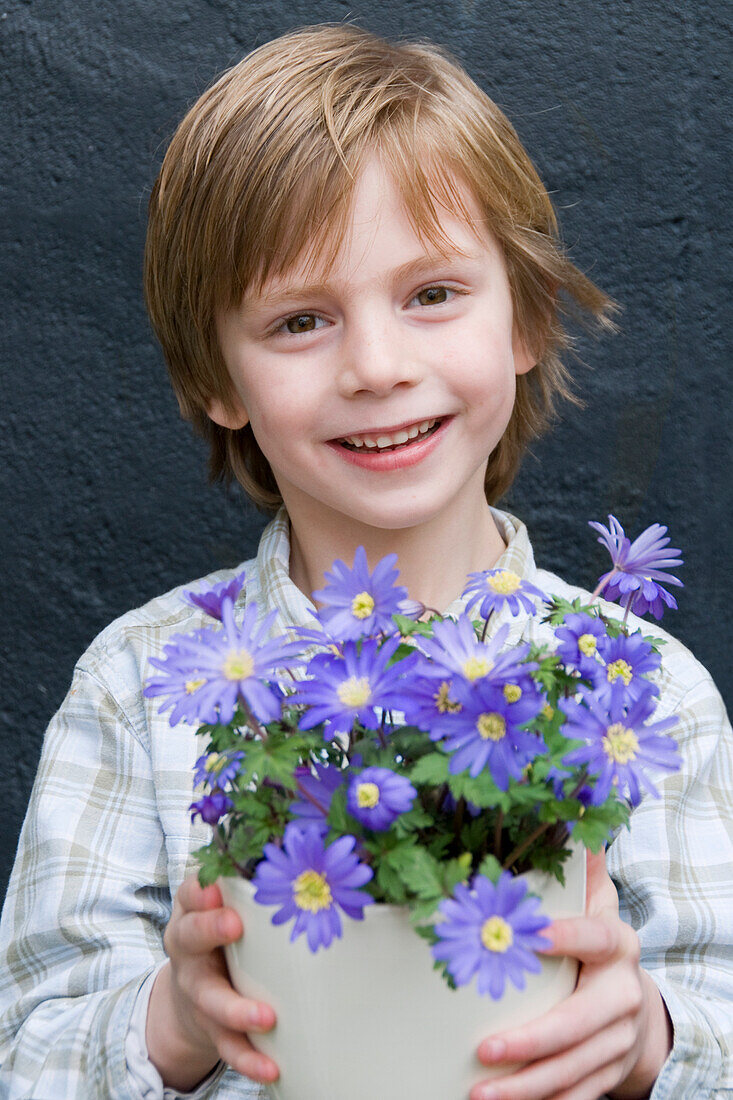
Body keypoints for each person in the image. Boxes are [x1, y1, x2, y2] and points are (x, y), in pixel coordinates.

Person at [0, 22, 730, 1100]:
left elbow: (715, 1000)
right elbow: (30, 1050)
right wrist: (173, 1018)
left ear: (524, 316)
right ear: (220, 380)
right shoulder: (140, 679)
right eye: (301, 319)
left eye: (432, 293)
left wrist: (647, 1043)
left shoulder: (644, 686)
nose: (377, 367)